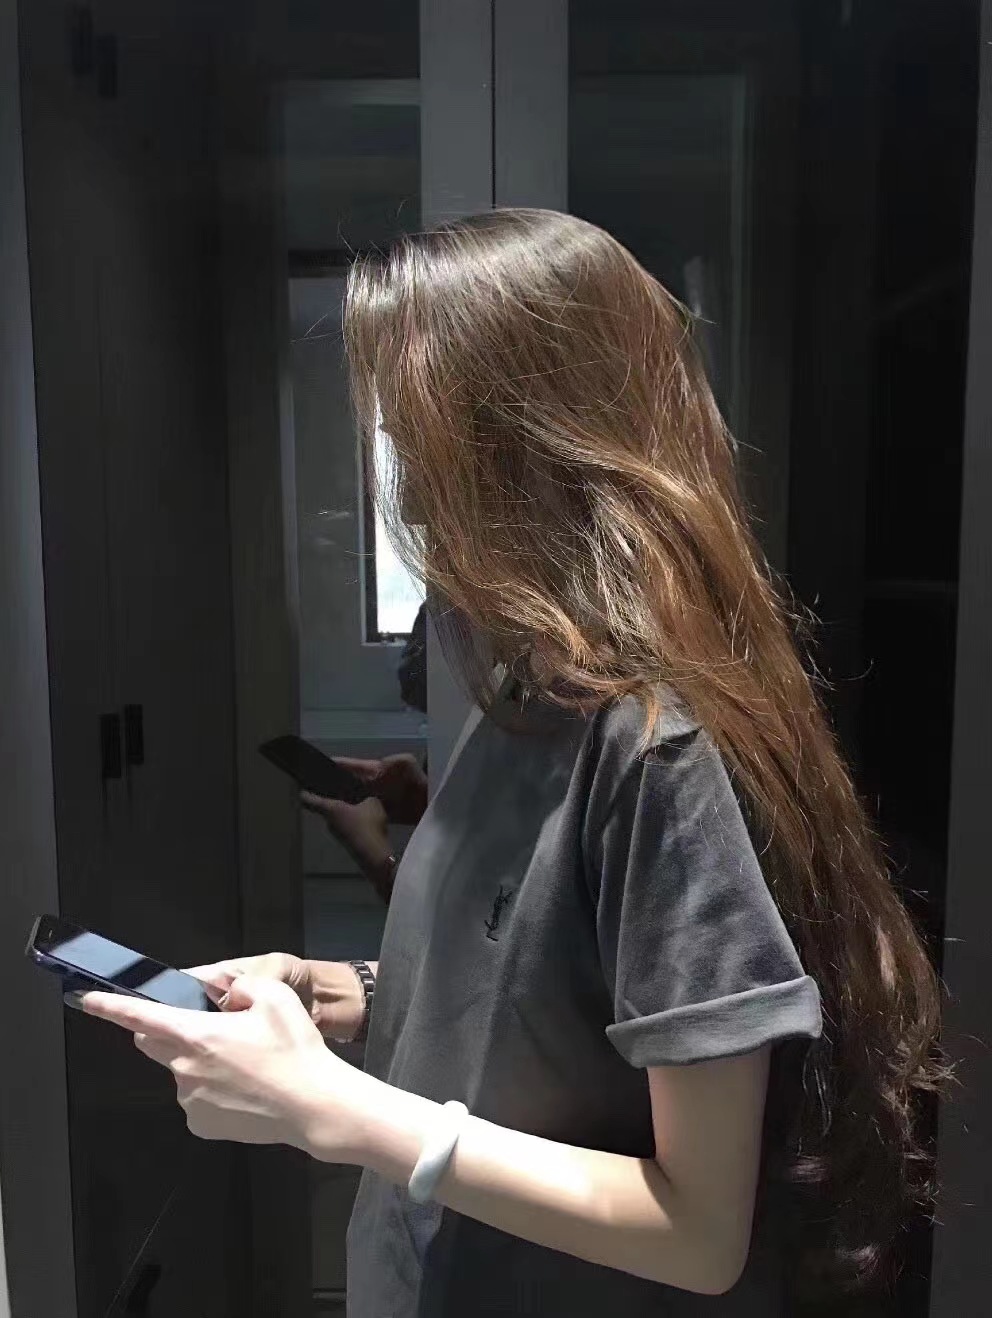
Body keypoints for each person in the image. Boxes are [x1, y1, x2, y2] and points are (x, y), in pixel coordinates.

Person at [81, 210, 946, 1315]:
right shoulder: (531, 695)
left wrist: (334, 1111)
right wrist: (346, 993)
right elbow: (546, 998)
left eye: (419, 443)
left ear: (523, 449)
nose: (408, 494)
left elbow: (696, 1230)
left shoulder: (656, 750)